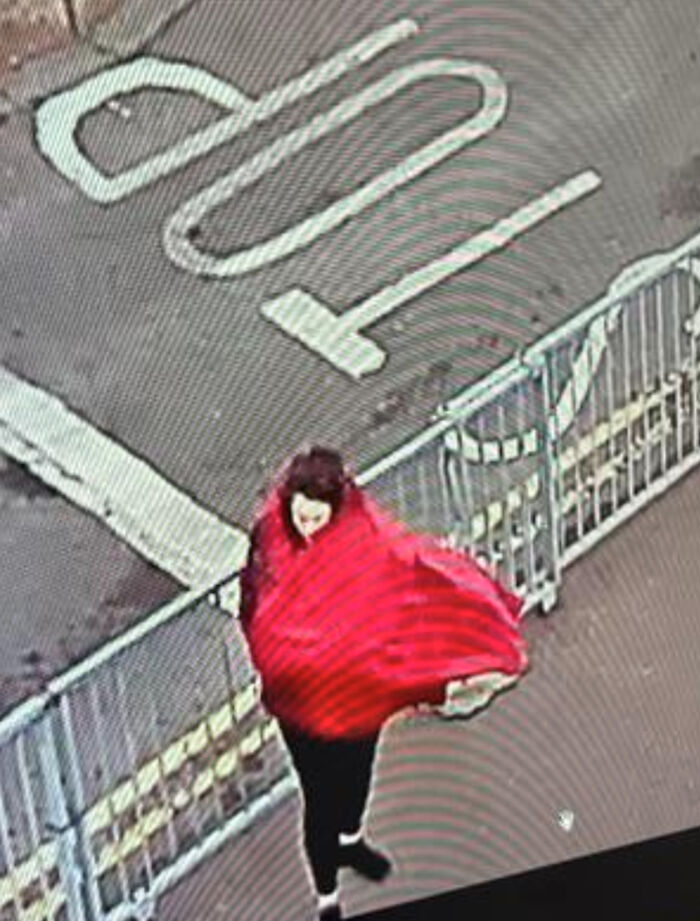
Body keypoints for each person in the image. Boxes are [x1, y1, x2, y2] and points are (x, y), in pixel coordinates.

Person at [238, 446, 528, 921]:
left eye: (317, 516)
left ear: (337, 509)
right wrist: (279, 647)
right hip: (298, 706)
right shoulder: (270, 538)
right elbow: (253, 602)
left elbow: (403, 576)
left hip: (356, 695)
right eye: (300, 513)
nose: (307, 524)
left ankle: (351, 842)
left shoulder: (362, 538)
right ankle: (327, 894)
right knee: (321, 799)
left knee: (355, 780)